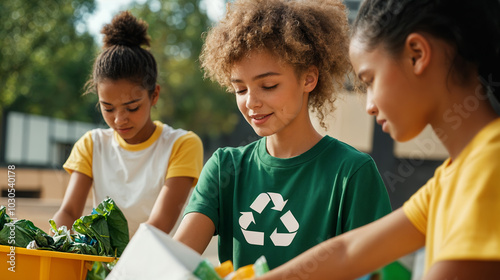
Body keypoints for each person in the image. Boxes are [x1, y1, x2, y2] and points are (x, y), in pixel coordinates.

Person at [258, 0, 500, 279]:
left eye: (370, 80)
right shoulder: (451, 179)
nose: (370, 106)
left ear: (417, 54)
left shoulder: (488, 165)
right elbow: (348, 252)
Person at [173, 0, 391, 270]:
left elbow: (374, 270)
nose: (251, 102)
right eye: (240, 89)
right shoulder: (223, 169)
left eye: (268, 85)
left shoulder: (351, 173)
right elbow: (175, 260)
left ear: (308, 79)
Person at [52, 11, 203, 236]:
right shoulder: (92, 144)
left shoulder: (181, 145)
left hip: (153, 266)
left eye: (132, 107)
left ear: (154, 95)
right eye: (108, 108)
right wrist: (57, 240)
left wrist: (121, 268)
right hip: (101, 268)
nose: (119, 119)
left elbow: (160, 224)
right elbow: (68, 211)